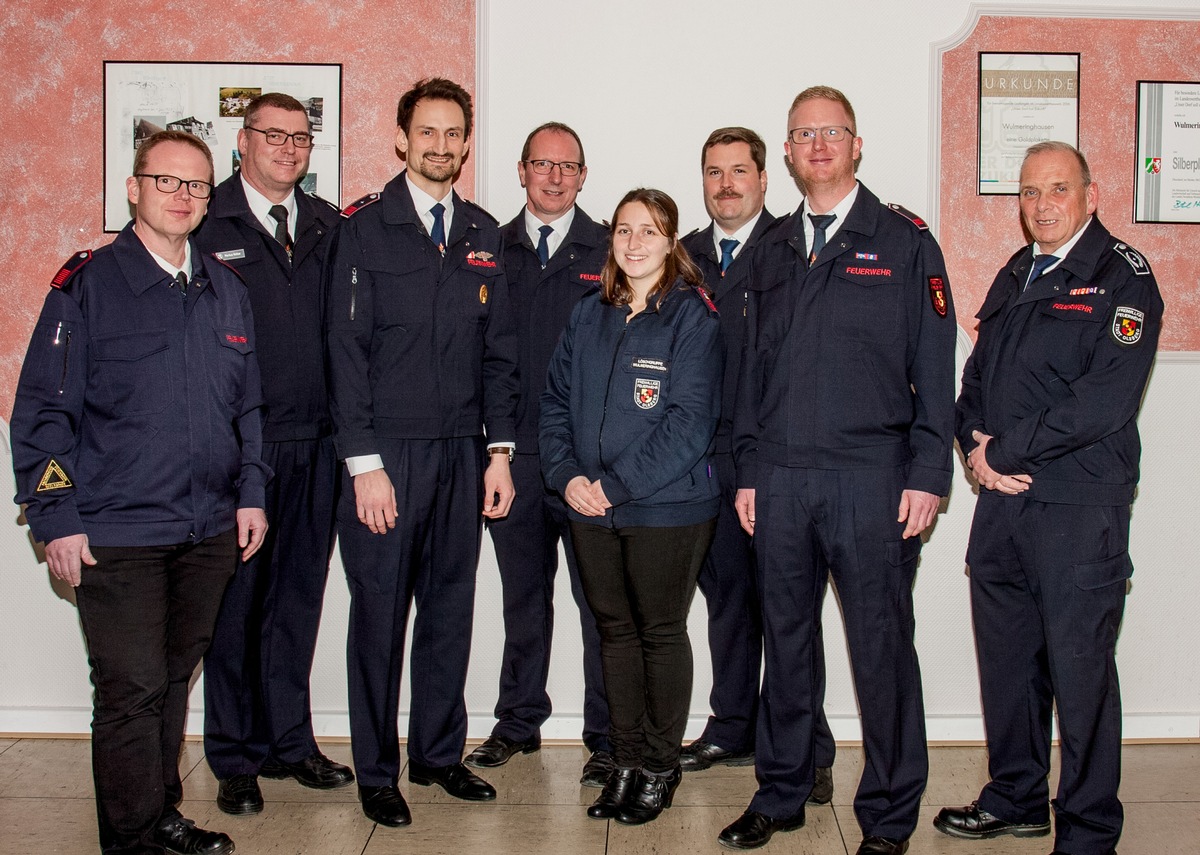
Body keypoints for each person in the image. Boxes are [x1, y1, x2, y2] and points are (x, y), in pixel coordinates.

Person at [11, 130, 270, 855]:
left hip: (209, 530)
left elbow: (247, 410)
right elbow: (42, 414)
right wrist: (54, 516)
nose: (183, 197)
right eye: (167, 182)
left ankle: (159, 817)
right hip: (116, 534)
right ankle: (129, 840)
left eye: (196, 186)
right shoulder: (88, 286)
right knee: (130, 691)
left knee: (169, 683)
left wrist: (251, 493)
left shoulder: (227, 290)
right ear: (134, 188)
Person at [719, 86, 957, 854]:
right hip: (782, 479)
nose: (818, 144)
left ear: (857, 146)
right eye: (803, 133)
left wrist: (928, 472)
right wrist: (750, 468)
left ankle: (887, 817)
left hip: (872, 477)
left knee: (881, 649)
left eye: (832, 132)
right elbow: (750, 374)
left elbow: (935, 367)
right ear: (786, 153)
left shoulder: (904, 240)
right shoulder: (771, 248)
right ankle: (783, 789)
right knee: (784, 643)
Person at [935, 142, 1163, 855]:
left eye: (1057, 188)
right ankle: (1016, 797)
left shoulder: (1122, 278)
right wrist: (974, 442)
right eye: (1030, 191)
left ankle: (1090, 828)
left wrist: (1002, 450)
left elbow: (1103, 401)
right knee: (1007, 665)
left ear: (1091, 195)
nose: (1042, 203)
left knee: (1081, 671)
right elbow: (977, 378)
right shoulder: (1017, 271)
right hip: (1001, 505)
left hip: (1076, 506)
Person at [325, 77, 519, 829]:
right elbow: (344, 351)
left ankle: (437, 753)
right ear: (402, 139)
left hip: (463, 454)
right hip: (388, 457)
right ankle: (378, 770)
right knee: (379, 615)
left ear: (466, 144)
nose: (440, 146)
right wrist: (363, 463)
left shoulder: (482, 233)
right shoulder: (365, 231)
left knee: (450, 608)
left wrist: (498, 454)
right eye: (426, 133)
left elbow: (499, 356)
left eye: (452, 134)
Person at [540, 188, 723, 826]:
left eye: (649, 231)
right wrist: (566, 476)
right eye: (624, 230)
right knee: (613, 633)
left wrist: (613, 485)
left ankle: (658, 766)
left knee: (659, 632)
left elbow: (689, 424)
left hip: (666, 508)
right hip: (587, 505)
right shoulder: (588, 312)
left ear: (672, 242)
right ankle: (622, 759)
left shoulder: (691, 318)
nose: (635, 242)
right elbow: (555, 402)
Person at [195, 92, 351, 817]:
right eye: (273, 136)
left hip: (317, 445)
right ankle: (234, 755)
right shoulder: (208, 221)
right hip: (241, 452)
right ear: (243, 140)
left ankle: (292, 740)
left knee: (298, 599)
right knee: (237, 607)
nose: (288, 149)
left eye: (300, 138)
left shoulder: (326, 226)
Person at [679, 126, 834, 804]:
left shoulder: (790, 248)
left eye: (739, 171)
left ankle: (808, 746)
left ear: (765, 179)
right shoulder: (683, 254)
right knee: (725, 599)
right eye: (714, 172)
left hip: (771, 461)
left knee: (788, 609)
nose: (726, 184)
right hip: (701, 460)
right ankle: (732, 722)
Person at [464, 122, 614, 786]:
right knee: (524, 599)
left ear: (583, 176)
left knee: (599, 602)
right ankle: (518, 720)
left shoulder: (613, 248)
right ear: (521, 170)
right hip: (514, 458)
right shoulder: (487, 248)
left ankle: (606, 733)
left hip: (588, 465)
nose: (555, 176)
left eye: (568, 166)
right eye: (542, 164)